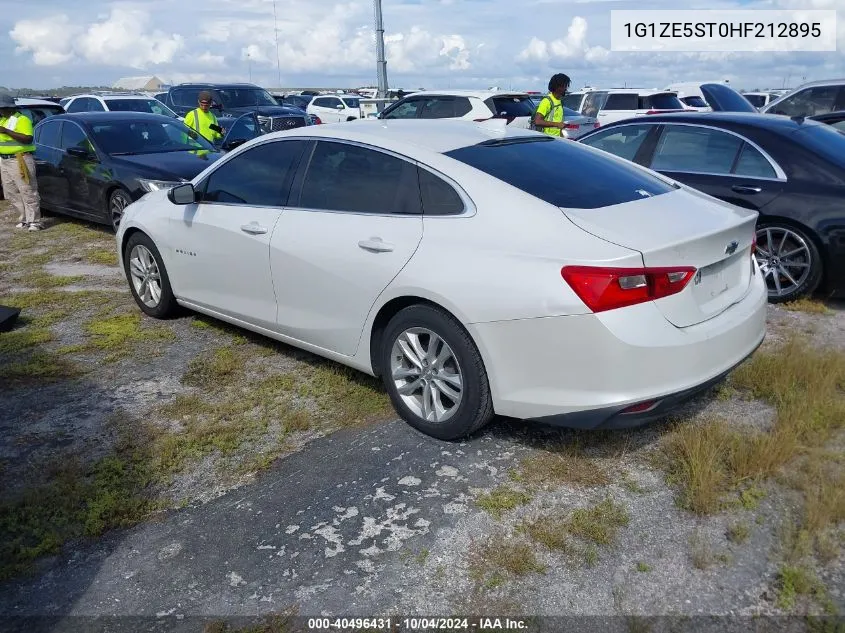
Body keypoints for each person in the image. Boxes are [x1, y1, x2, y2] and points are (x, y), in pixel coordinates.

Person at [0, 94, 42, 231]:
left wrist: (6, 131)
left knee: (27, 189)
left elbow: (27, 139)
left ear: (8, 107)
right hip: (4, 160)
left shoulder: (22, 119)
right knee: (11, 191)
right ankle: (23, 218)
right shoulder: (3, 120)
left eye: (2, 108)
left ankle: (34, 221)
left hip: (19, 159)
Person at [533, 73, 571, 138]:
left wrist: (563, 138)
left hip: (557, 139)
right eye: (564, 86)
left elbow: (559, 126)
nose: (566, 89)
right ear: (558, 87)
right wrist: (557, 124)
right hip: (547, 139)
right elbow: (537, 121)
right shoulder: (547, 101)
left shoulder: (560, 102)